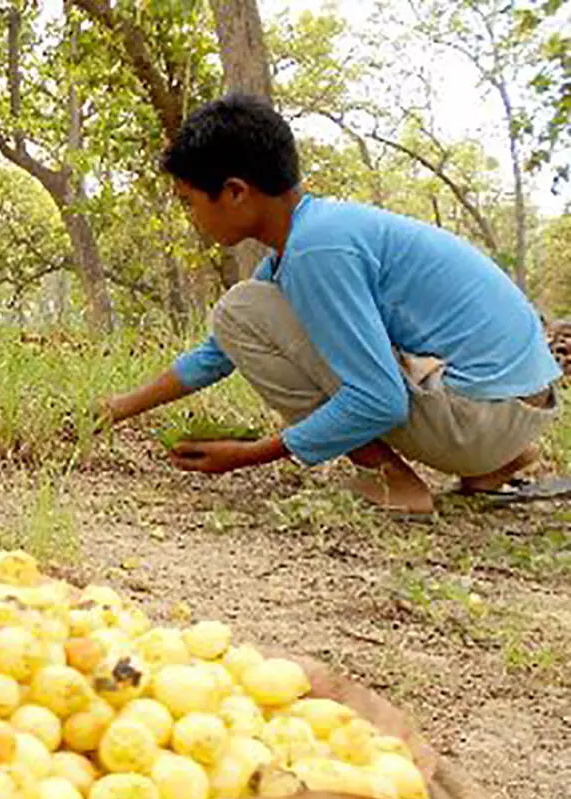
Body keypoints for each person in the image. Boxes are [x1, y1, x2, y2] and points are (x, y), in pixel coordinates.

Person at [98, 94, 560, 515]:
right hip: (514, 410)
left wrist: (251, 454)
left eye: (190, 202)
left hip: (477, 417)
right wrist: (118, 408)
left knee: (238, 308)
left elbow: (380, 400)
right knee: (244, 313)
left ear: (236, 191)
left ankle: (390, 482)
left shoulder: (317, 250)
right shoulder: (312, 234)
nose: (192, 218)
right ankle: (497, 459)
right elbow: (217, 354)